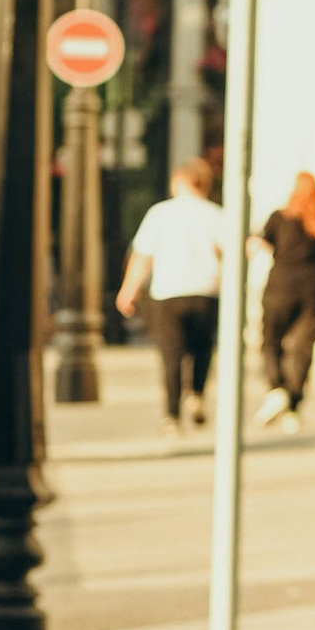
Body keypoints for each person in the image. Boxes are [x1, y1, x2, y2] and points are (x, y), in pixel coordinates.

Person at [118, 154, 223, 430]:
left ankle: (172, 415)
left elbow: (143, 255)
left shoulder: (160, 213)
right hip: (206, 290)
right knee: (202, 348)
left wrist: (128, 289)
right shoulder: (215, 214)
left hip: (168, 290)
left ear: (180, 182)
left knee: (171, 354)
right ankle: (197, 392)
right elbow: (228, 253)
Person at [255, 172, 315, 431]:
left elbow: (258, 243)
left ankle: (276, 387)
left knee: (271, 340)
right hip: (313, 287)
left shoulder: (280, 218)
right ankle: (293, 405)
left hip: (280, 286)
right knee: (303, 347)